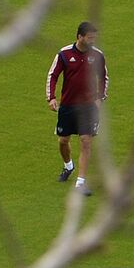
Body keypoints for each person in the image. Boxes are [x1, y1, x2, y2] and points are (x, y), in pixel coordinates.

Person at [46, 22, 108, 195]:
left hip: (88, 107)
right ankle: (68, 166)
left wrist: (99, 98)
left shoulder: (97, 56)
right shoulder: (64, 54)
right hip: (68, 106)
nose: (92, 41)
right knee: (63, 141)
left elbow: (103, 77)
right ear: (79, 37)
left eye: (94, 38)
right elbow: (53, 75)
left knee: (86, 141)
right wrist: (51, 98)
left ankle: (81, 182)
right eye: (90, 38)